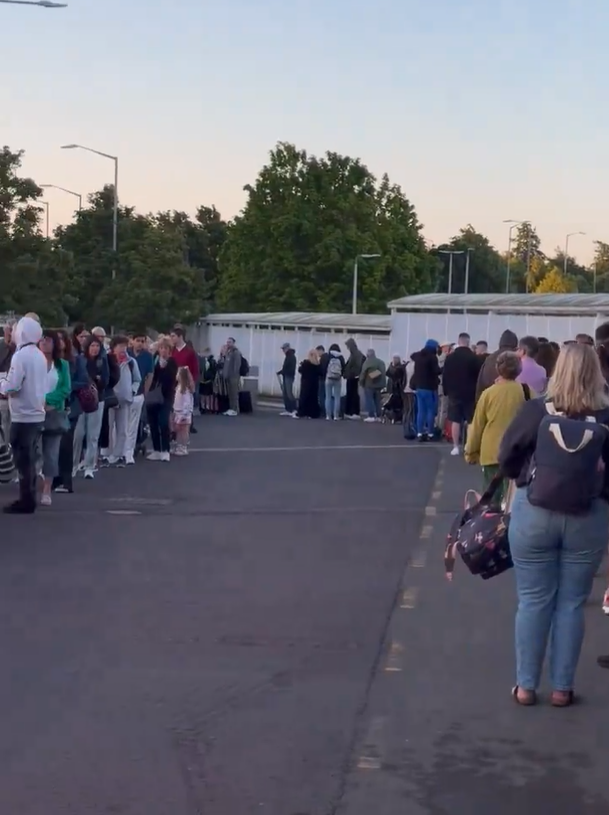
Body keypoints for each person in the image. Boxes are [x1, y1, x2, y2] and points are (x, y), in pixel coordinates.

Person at [498, 343, 609, 706]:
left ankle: (526, 686)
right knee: (572, 603)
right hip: (588, 517)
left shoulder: (535, 410)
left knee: (532, 600)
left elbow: (507, 457)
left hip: (535, 512)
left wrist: (527, 477)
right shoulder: (606, 415)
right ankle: (562, 688)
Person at [464, 351, 527, 507]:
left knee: (491, 499)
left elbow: (477, 425)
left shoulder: (488, 394)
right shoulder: (525, 391)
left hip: (491, 452)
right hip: (518, 452)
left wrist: (470, 452)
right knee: (513, 500)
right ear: (519, 370)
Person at [0, 316, 47, 514]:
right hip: (37, 412)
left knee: (22, 459)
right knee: (29, 458)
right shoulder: (39, 355)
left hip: (23, 414)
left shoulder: (21, 356)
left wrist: (2, 384)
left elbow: (13, 385)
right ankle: (29, 498)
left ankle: (26, 500)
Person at [52, 329, 89, 493]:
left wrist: (67, 387)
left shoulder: (76, 360)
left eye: (61, 339)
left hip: (70, 406)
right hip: (52, 405)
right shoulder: (48, 360)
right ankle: (54, 478)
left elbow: (84, 381)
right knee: (52, 444)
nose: (59, 342)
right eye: (56, 339)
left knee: (66, 443)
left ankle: (66, 480)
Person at [38, 329, 71, 506]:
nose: (44, 343)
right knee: (33, 452)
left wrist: (47, 400)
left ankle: (47, 489)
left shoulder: (62, 365)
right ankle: (32, 484)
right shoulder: (33, 362)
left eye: (48, 340)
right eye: (42, 340)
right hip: (33, 412)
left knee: (51, 453)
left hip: (53, 412)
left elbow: (65, 388)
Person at [73, 335, 109, 479]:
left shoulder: (102, 361)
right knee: (78, 434)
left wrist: (98, 382)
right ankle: (74, 464)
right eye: (92, 346)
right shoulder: (79, 360)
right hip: (81, 400)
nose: (94, 349)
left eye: (97, 346)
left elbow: (106, 380)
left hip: (97, 399)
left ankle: (89, 465)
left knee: (93, 435)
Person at [442, 332, 480, 456]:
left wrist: (446, 390)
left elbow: (445, 375)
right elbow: (478, 376)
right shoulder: (474, 358)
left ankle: (455, 446)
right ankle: (469, 446)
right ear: (468, 342)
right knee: (470, 421)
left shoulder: (450, 358)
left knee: (455, 420)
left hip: (454, 392)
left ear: (458, 342)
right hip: (470, 393)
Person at [108, 335, 141, 467]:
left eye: (125, 346)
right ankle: (107, 454)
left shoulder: (131, 362)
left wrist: (132, 391)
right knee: (109, 428)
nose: (123, 349)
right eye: (120, 346)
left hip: (125, 399)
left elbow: (137, 379)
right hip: (110, 399)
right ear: (113, 347)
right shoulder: (108, 360)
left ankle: (118, 454)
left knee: (123, 429)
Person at [147, 339, 177, 462]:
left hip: (166, 396)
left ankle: (165, 450)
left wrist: (163, 367)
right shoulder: (154, 361)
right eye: (161, 348)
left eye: (166, 348)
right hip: (153, 395)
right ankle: (156, 449)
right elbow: (151, 377)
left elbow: (170, 379)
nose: (163, 351)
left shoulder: (172, 362)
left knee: (163, 422)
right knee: (153, 423)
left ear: (169, 351)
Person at [127, 333, 154, 464]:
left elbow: (150, 374)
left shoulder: (148, 356)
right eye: (137, 340)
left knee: (137, 422)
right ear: (132, 341)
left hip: (139, 393)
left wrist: (145, 392)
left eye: (142, 341)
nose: (140, 343)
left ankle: (134, 447)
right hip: (125, 393)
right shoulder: (126, 354)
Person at [410, 339, 440, 441]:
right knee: (430, 411)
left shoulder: (418, 356)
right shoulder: (432, 357)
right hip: (429, 388)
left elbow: (412, 355)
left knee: (421, 411)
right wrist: (444, 368)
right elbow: (436, 371)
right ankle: (430, 433)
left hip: (419, 387)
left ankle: (419, 433)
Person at [476, 329, 518, 402]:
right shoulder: (516, 358)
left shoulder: (489, 359)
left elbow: (480, 384)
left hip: (490, 399)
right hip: (512, 400)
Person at [359, 348, 387, 422]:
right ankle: (378, 416)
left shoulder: (367, 362)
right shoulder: (381, 362)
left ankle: (371, 416)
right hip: (379, 385)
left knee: (369, 400)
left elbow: (363, 373)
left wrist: (361, 382)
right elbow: (383, 373)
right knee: (377, 401)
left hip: (369, 384)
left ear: (368, 355)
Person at [172, 367, 195, 455]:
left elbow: (187, 403)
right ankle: (179, 446)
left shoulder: (184, 389)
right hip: (178, 412)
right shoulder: (179, 387)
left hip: (183, 413)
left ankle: (183, 447)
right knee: (179, 430)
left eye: (178, 374)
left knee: (184, 431)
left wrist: (184, 414)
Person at [0, 320, 15, 441]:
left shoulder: (20, 348)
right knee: (4, 424)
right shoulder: (1, 346)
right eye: (8, 330)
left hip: (16, 394)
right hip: (2, 393)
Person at [343, 339, 365, 419]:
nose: (347, 348)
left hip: (353, 377)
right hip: (352, 377)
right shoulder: (355, 354)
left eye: (348, 346)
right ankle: (351, 412)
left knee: (352, 394)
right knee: (352, 394)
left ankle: (353, 412)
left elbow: (356, 366)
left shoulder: (356, 354)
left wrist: (350, 373)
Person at [296, 349, 322, 419]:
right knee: (313, 399)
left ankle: (302, 413)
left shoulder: (306, 363)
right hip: (314, 384)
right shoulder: (317, 364)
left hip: (306, 383)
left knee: (304, 398)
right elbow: (320, 373)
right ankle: (312, 413)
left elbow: (300, 370)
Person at [221, 337, 242, 417]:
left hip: (234, 376)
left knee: (234, 393)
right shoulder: (228, 352)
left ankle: (235, 409)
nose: (228, 344)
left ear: (233, 343)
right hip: (228, 376)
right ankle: (231, 408)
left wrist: (234, 374)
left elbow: (237, 365)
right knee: (230, 393)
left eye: (230, 342)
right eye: (227, 342)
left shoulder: (236, 352)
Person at [324, 343, 345, 421]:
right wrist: (341, 375)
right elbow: (343, 367)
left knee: (328, 397)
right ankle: (336, 416)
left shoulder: (328, 356)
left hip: (329, 378)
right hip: (338, 378)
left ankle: (328, 415)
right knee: (337, 397)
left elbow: (324, 366)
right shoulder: (341, 357)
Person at [278, 342, 297, 417]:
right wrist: (281, 371)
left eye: (284, 348)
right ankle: (288, 409)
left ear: (287, 348)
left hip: (289, 376)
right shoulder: (288, 356)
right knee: (285, 393)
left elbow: (289, 368)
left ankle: (294, 409)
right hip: (286, 376)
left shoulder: (291, 356)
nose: (283, 350)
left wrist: (282, 371)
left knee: (289, 393)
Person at [197, 348, 217, 414]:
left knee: (209, 394)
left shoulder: (212, 361)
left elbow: (214, 370)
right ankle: (203, 406)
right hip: (202, 379)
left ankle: (209, 407)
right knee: (202, 394)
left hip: (209, 380)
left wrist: (212, 377)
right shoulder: (201, 360)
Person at [316, 345, 329, 416]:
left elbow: (322, 369)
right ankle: (327, 411)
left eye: (318, 352)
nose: (318, 354)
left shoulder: (323, 358)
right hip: (327, 378)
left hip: (322, 379)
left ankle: (323, 411)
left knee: (321, 395)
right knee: (326, 395)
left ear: (321, 350)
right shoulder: (328, 357)